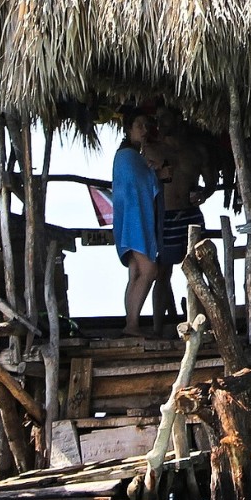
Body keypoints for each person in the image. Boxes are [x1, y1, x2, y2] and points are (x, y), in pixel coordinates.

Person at [151, 108, 214, 324]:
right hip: (165, 216)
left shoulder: (196, 150)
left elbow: (211, 182)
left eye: (165, 117)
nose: (160, 122)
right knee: (162, 272)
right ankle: (158, 326)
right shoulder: (151, 150)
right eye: (158, 119)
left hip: (191, 216)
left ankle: (200, 320)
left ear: (178, 118)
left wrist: (203, 193)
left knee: (198, 268)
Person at [112, 114, 165, 337]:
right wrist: (157, 173)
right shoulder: (127, 156)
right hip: (134, 219)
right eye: (138, 125)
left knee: (135, 272)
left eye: (146, 125)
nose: (144, 129)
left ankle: (131, 323)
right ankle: (131, 323)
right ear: (128, 128)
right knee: (149, 270)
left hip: (130, 219)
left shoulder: (131, 155)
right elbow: (139, 184)